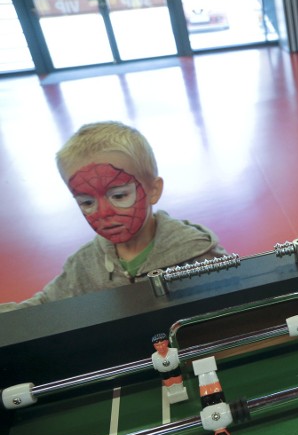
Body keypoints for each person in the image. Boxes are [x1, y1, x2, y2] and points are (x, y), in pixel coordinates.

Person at [0, 121, 227, 312]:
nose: (104, 213)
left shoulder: (196, 251)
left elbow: (234, 298)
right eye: (87, 202)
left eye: (119, 196)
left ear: (154, 190)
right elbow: (42, 307)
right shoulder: (84, 265)